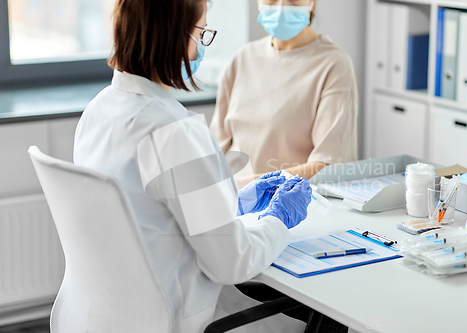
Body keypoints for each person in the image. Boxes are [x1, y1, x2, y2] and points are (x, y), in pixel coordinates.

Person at [72, 0, 314, 332]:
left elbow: (148, 214)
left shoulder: (98, 111)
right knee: (321, 320)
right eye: (200, 32)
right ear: (173, 35)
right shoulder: (174, 132)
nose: (201, 45)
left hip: (109, 314)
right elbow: (233, 263)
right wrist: (279, 218)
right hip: (179, 316)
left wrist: (236, 201)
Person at [210, 0, 359, 187]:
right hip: (231, 201)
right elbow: (216, 149)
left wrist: (244, 187)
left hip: (287, 205)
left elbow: (327, 165)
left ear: (311, 2)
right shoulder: (243, 57)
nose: (281, 5)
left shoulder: (333, 64)